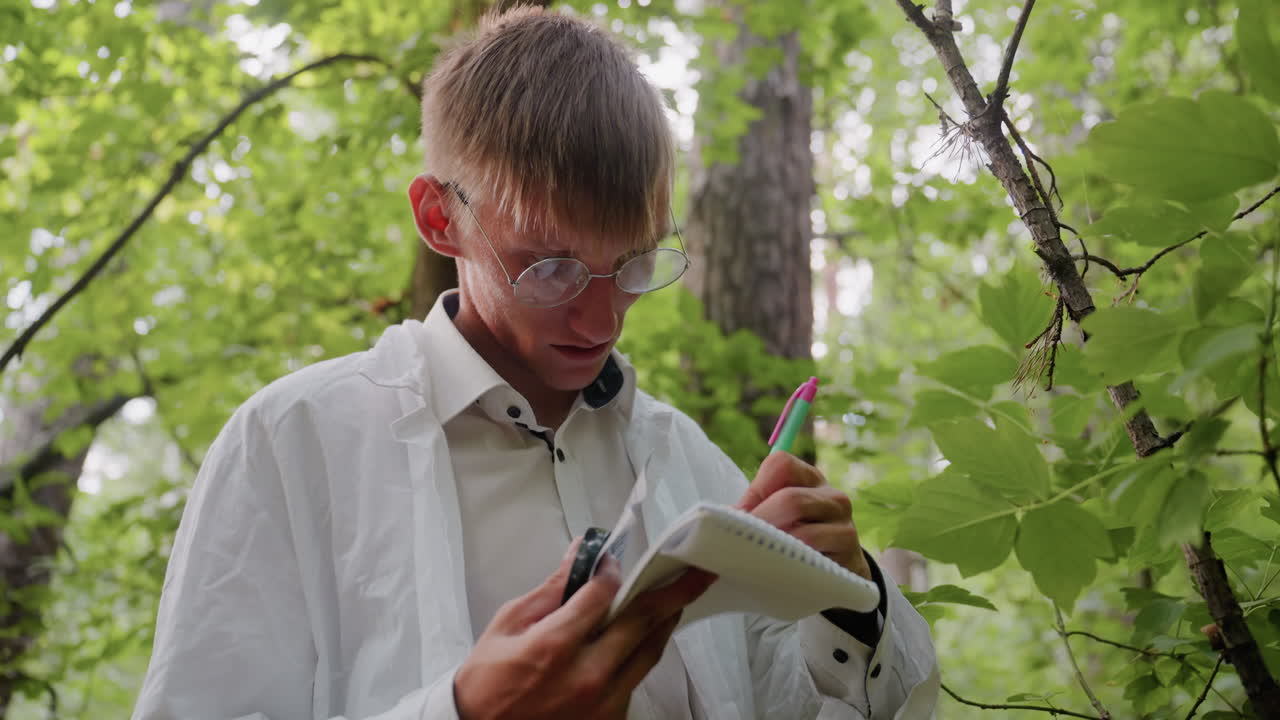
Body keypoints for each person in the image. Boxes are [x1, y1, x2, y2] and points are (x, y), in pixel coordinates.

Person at [132, 6, 938, 719]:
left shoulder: (685, 461)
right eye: (548, 267)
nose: (602, 318)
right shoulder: (293, 444)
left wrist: (849, 601)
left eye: (633, 264)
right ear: (439, 217)